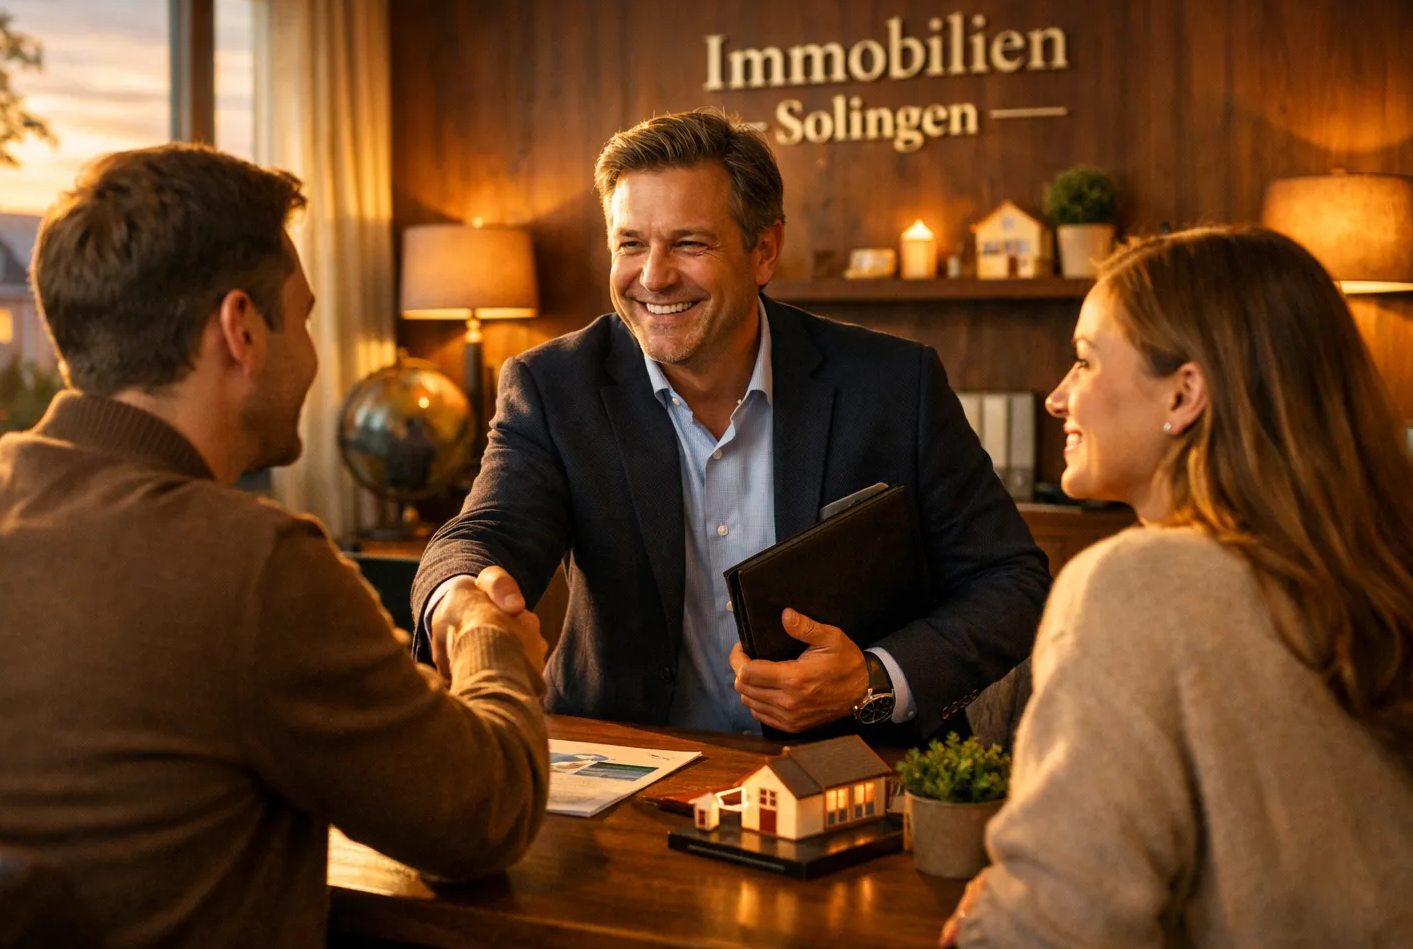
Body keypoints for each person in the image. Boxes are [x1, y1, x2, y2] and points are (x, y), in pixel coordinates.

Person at [0, 145, 551, 949]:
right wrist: (488, 640)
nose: (308, 350)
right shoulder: (257, 565)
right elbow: (484, 819)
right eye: (301, 314)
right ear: (242, 330)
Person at [412, 109, 1049, 744]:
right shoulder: (553, 387)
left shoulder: (892, 385)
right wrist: (461, 596)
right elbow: (485, 533)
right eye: (630, 244)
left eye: (690, 244)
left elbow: (1011, 581)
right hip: (627, 772)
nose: (654, 276)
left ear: (764, 250)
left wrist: (872, 681)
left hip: (845, 776)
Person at [943, 227, 1413, 947]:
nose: (1058, 399)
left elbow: (1057, 928)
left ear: (1185, 392)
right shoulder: (1365, 571)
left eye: (1085, 361)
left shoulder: (1139, 584)